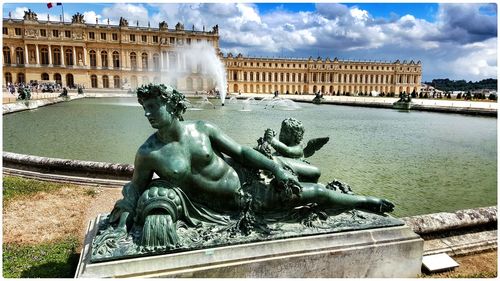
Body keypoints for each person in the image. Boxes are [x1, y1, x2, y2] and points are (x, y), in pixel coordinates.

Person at [109, 84, 394, 232]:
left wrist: (276, 169)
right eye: (144, 108)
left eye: (153, 106)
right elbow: (135, 185)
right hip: (240, 201)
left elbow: (243, 152)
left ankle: (365, 202)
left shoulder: (202, 129)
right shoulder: (148, 153)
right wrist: (126, 209)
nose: (147, 113)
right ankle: (365, 202)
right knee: (315, 192)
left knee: (309, 176)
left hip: (247, 177)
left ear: (172, 105)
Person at [263, 118, 323, 183]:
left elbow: (287, 150)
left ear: (295, 135)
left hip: (295, 171)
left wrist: (272, 140)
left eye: (286, 132)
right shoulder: (281, 149)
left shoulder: (299, 149)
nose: (282, 134)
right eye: (281, 130)